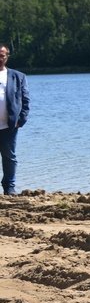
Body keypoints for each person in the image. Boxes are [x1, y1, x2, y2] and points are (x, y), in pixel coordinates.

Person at [0, 43, 30, 196]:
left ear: (7, 57)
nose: (0, 58)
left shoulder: (18, 76)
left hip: (9, 125)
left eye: (2, 55)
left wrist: (22, 119)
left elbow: (25, 100)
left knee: (9, 157)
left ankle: (9, 188)